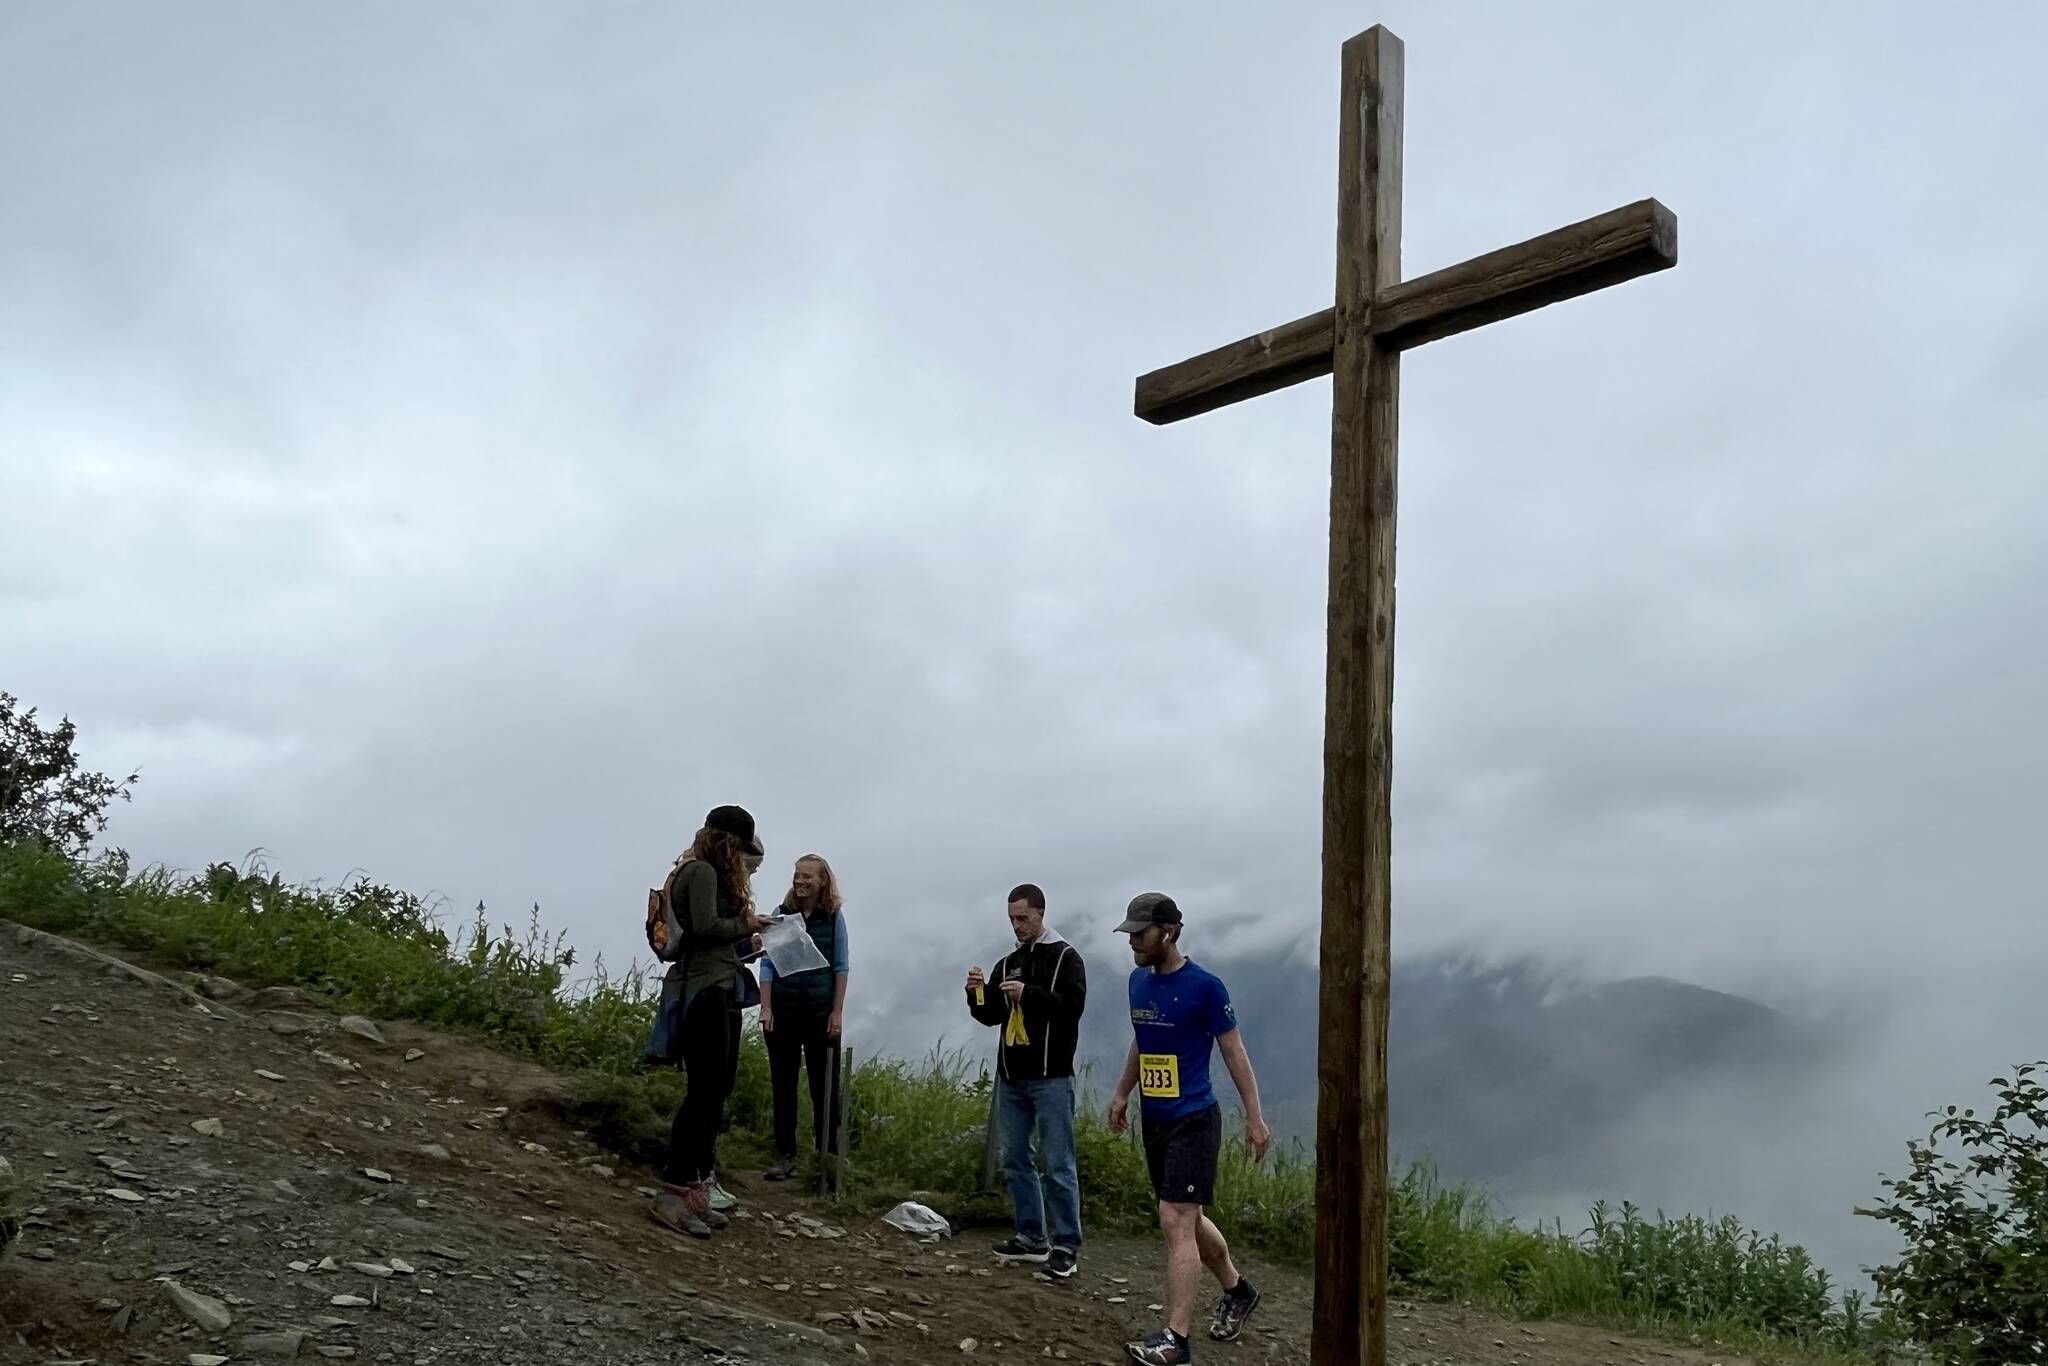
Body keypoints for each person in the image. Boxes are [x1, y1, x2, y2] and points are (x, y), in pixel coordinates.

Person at [1108, 892, 1271, 1365]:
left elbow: (1233, 1050)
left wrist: (1254, 1118)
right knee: (1189, 1219)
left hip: (1194, 1119)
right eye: (1130, 933)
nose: (1133, 941)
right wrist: (1123, 1093)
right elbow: (1143, 1038)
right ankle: (1238, 1291)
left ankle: (1176, 1340)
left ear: (1170, 932)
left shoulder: (1206, 987)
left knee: (1174, 1218)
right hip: (1155, 1119)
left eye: (1141, 933)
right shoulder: (1138, 982)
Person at [649, 805, 771, 1239]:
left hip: (717, 986)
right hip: (701, 989)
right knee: (703, 1092)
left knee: (715, 1090)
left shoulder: (705, 871)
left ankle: (694, 1191)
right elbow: (703, 927)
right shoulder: (700, 872)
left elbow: (710, 930)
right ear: (728, 843)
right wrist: (746, 923)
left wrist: (745, 934)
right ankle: (674, 1191)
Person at [965, 882, 1087, 1278]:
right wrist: (976, 994)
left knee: (1058, 1162)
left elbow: (1071, 1009)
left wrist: (1029, 994)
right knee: (1016, 1158)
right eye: (1012, 920)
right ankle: (1032, 1236)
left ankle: (1066, 1243)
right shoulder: (1009, 961)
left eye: (1023, 918)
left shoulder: (1066, 958)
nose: (1017, 926)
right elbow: (991, 1017)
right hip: (1012, 1075)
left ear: (1040, 913)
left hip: (1051, 1076)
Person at [758, 852, 851, 1181]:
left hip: (820, 1013)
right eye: (797, 875)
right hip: (783, 1011)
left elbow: (841, 966)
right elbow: (767, 963)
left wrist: (837, 1012)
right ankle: (785, 1155)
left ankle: (826, 1159)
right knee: (783, 1085)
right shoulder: (780, 915)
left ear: (822, 880)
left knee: (824, 1088)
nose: (800, 882)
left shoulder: (834, 918)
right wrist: (765, 1007)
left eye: (807, 876)